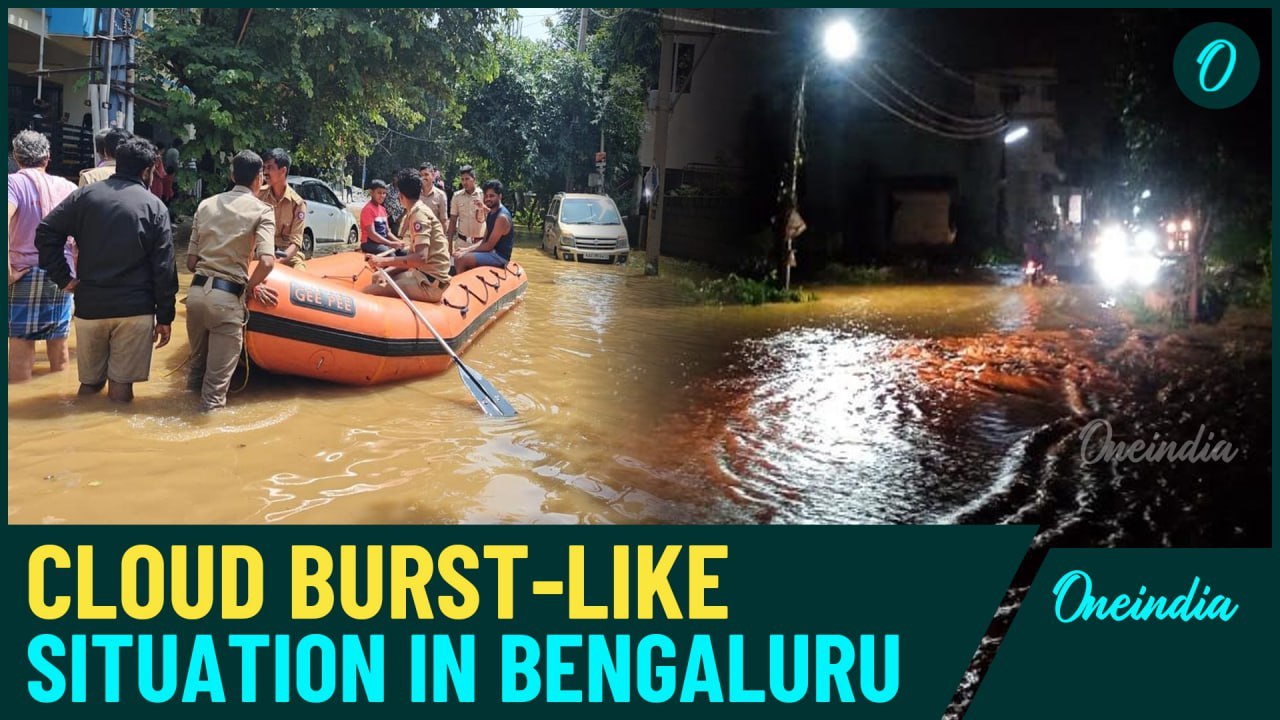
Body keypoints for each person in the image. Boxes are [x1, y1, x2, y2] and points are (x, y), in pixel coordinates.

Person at [35, 136, 177, 403]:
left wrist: (64, 279)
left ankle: (80, 436)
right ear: (146, 171)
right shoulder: (154, 207)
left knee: (89, 384)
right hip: (135, 309)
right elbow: (164, 267)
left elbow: (46, 232)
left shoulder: (85, 196)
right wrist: (165, 317)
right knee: (121, 387)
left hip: (91, 306)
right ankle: (116, 442)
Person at [185, 150, 279, 411]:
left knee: (195, 373)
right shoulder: (263, 210)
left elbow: (191, 263)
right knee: (214, 395)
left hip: (194, 297)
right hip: (227, 299)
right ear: (259, 178)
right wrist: (249, 288)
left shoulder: (205, 205)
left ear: (231, 175)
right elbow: (268, 261)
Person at [7, 130, 78, 382]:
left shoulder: (12, 183)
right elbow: (80, 238)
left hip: (23, 273)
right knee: (59, 346)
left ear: (16, 157)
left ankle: (21, 413)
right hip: (62, 274)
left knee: (20, 346)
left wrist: (7, 272)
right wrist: (75, 279)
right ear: (47, 157)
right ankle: (60, 404)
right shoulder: (69, 187)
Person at [362, 169, 450, 303]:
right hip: (422, 275)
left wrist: (383, 261)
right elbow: (412, 257)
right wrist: (384, 271)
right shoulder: (417, 210)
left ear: (400, 195)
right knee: (377, 277)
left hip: (429, 283)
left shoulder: (418, 215)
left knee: (367, 292)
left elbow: (420, 258)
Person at [257, 147, 307, 270]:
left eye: (270, 168)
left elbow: (295, 243)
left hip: (287, 255)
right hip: (262, 251)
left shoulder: (297, 204)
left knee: (300, 272)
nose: (265, 172)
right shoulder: (259, 195)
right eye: (264, 168)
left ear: (283, 171)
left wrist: (277, 262)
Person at [453, 179, 515, 273]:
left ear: (500, 196)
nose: (488, 199)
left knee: (461, 259)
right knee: (459, 252)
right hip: (491, 252)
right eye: (486, 196)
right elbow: (484, 240)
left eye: (491, 196)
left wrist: (466, 252)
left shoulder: (501, 218)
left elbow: (489, 246)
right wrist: (465, 249)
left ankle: (461, 286)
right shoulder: (491, 213)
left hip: (499, 256)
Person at [447, 165, 486, 257]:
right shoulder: (456, 197)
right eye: (462, 179)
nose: (464, 182)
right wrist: (449, 245)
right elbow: (452, 221)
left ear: (474, 179)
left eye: (467, 179)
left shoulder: (483, 195)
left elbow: (491, 219)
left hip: (479, 244)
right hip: (461, 243)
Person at [359, 179, 405, 256]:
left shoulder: (383, 209)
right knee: (391, 255)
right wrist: (390, 243)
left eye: (384, 193)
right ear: (371, 192)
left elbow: (387, 232)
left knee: (403, 253)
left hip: (382, 242)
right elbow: (372, 234)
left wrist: (398, 241)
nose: (382, 196)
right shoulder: (368, 209)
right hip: (369, 243)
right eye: (379, 193)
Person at [419, 163, 448, 227]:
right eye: (421, 175)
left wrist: (442, 236)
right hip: (417, 234)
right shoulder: (415, 194)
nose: (423, 177)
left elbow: (443, 221)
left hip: (434, 235)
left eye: (426, 174)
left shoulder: (441, 195)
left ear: (432, 175)